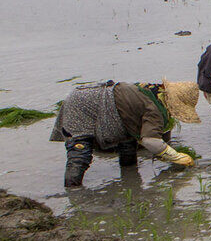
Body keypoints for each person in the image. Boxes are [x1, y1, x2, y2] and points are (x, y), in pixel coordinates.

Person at [50, 80, 201, 187]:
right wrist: (177, 156)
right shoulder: (155, 109)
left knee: (129, 141)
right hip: (82, 107)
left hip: (87, 96)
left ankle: (130, 180)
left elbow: (133, 121)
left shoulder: (149, 89)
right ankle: (73, 193)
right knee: (80, 154)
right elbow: (150, 141)